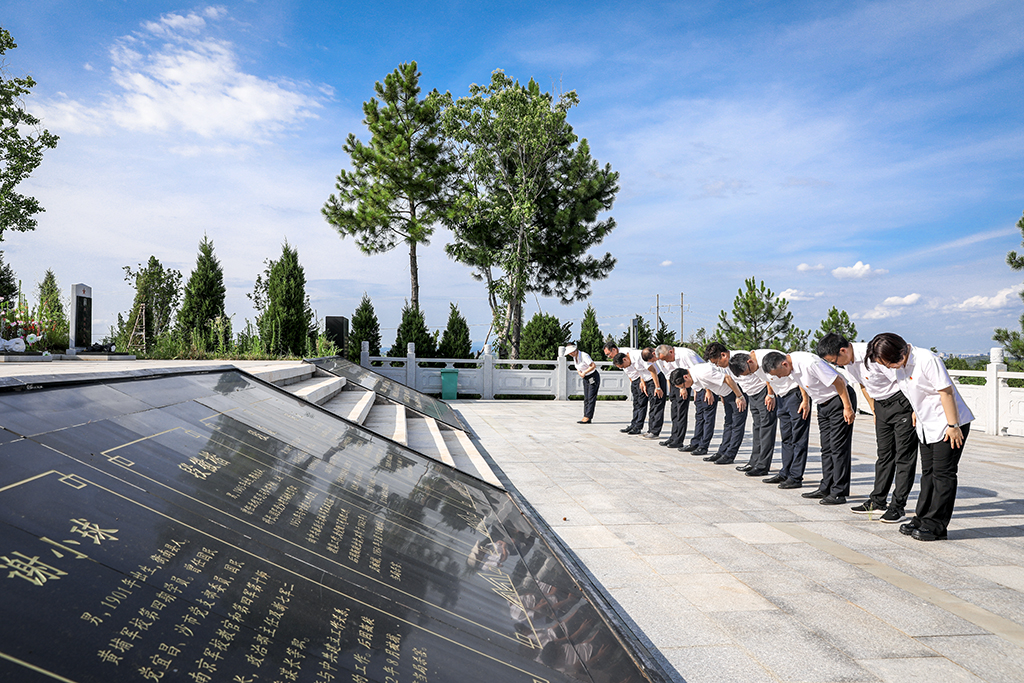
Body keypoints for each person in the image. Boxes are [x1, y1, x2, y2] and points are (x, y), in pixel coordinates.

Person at [866, 333, 974, 541]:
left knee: (943, 475)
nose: (888, 367)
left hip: (948, 424)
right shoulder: (901, 366)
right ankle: (922, 517)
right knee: (928, 473)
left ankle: (936, 526)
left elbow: (946, 393)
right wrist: (917, 411)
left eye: (888, 362)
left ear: (899, 352)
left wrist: (953, 425)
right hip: (926, 424)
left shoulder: (927, 360)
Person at [817, 333, 918, 523]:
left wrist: (915, 408)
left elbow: (904, 380)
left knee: (904, 457)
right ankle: (877, 501)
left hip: (902, 403)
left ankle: (897, 506)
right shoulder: (849, 363)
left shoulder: (873, 355)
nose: (836, 365)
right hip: (881, 406)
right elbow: (864, 385)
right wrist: (874, 410)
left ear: (843, 350)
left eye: (834, 361)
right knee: (884, 455)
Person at [762, 351, 856, 504]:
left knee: (838, 448)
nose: (779, 377)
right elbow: (801, 382)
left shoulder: (809, 363)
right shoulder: (790, 366)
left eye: (778, 374)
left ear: (784, 364)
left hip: (839, 401)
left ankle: (839, 492)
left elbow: (838, 381)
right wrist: (805, 400)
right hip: (823, 404)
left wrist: (848, 407)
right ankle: (826, 487)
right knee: (826, 448)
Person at [694, 342, 748, 465]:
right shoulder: (724, 362)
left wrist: (739, 396)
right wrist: (723, 395)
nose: (717, 365)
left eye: (717, 362)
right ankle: (722, 452)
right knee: (728, 423)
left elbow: (730, 379)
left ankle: (730, 455)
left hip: (740, 392)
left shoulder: (741, 357)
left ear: (723, 355)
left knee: (737, 424)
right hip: (731, 392)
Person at [727, 351, 779, 477]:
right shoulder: (741, 362)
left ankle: (763, 466)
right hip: (753, 394)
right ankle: (754, 461)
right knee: (757, 428)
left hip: (764, 393)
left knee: (766, 429)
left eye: (749, 372)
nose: (751, 374)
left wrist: (770, 394)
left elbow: (769, 378)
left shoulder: (763, 359)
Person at [651, 344, 705, 447]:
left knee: (681, 413)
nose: (666, 361)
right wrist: (670, 391)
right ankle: (673, 437)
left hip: (688, 383)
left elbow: (696, 373)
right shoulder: (668, 357)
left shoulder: (686, 354)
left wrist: (683, 388)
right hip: (676, 383)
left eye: (666, 359)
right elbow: (668, 375)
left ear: (671, 352)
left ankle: (679, 440)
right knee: (674, 412)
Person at [610, 346, 660, 435]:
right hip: (641, 380)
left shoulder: (633, 355)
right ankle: (635, 425)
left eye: (623, 366)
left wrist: (657, 387)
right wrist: (641, 382)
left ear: (625, 359)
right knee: (636, 404)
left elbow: (652, 370)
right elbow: (639, 371)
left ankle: (644, 428)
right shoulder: (627, 359)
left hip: (651, 379)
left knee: (647, 404)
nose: (624, 368)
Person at [565, 343, 599, 424]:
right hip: (585, 378)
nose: (570, 354)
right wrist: (580, 373)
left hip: (592, 377)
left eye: (571, 352)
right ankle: (586, 416)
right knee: (586, 398)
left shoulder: (584, 355)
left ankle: (588, 417)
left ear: (575, 350)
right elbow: (577, 367)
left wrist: (584, 372)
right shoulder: (575, 357)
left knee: (591, 397)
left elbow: (593, 365)